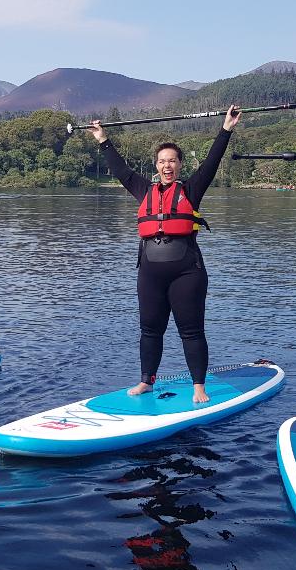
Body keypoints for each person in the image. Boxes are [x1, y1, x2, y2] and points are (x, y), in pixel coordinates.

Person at [90, 107, 240, 404]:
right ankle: (146, 381)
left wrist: (226, 129)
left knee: (192, 330)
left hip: (187, 271)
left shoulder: (192, 189)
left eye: (172, 161)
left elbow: (211, 162)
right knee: (150, 329)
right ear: (156, 165)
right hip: (150, 272)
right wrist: (102, 139)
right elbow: (120, 170)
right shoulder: (143, 188)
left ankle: (199, 385)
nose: (167, 166)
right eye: (162, 161)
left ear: (180, 164)